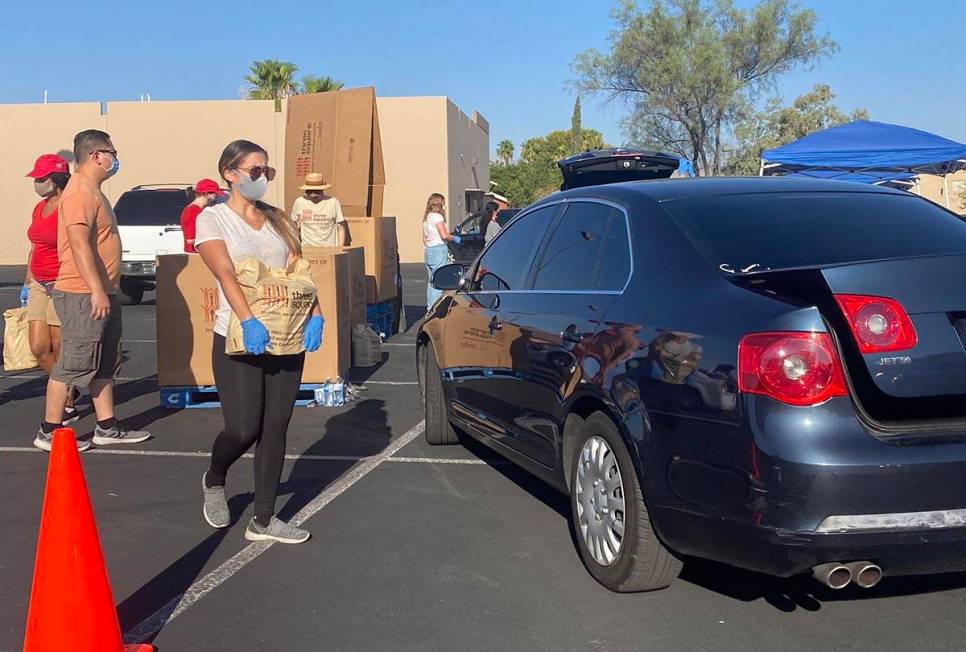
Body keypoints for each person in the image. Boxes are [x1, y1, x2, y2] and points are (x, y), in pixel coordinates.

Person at [195, 139, 324, 544]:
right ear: (230, 174)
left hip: (287, 337)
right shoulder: (213, 220)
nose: (263, 178)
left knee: (276, 425)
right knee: (243, 427)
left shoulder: (280, 221)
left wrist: (316, 315)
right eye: (255, 170)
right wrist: (249, 320)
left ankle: (264, 520)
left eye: (267, 171)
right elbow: (225, 273)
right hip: (240, 337)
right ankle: (215, 477)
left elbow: (298, 275)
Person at [35, 129, 151, 452]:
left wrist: (106, 290)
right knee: (73, 363)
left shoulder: (94, 191)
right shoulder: (80, 194)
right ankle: (49, 430)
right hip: (82, 293)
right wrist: (96, 289)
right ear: (97, 155)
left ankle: (106, 426)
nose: (115, 159)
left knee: (104, 362)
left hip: (104, 291)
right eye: (112, 153)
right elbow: (79, 245)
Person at [22, 154, 79, 424]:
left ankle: (66, 400)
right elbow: (35, 245)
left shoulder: (69, 206)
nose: (37, 182)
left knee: (59, 346)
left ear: (56, 179)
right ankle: (68, 394)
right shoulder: (39, 207)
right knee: (38, 346)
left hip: (62, 280)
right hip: (38, 283)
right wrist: (27, 280)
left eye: (41, 178)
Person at [423, 192, 460, 309]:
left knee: (431, 281)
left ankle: (430, 307)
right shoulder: (437, 217)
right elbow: (444, 235)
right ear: (439, 203)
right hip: (439, 249)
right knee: (439, 280)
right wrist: (455, 238)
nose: (444, 206)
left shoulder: (426, 218)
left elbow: (424, 239)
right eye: (443, 203)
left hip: (429, 250)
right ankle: (436, 308)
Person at [290, 172, 346, 248]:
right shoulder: (299, 202)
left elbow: (340, 228)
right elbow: (292, 225)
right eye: (309, 191)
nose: (313, 194)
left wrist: (339, 249)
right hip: (307, 248)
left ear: (322, 189)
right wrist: (295, 245)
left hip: (328, 249)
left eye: (316, 191)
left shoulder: (333, 202)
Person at [181, 178, 226, 253]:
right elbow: (190, 240)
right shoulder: (194, 211)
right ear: (206, 194)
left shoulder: (191, 208)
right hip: (197, 256)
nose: (216, 197)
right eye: (215, 194)